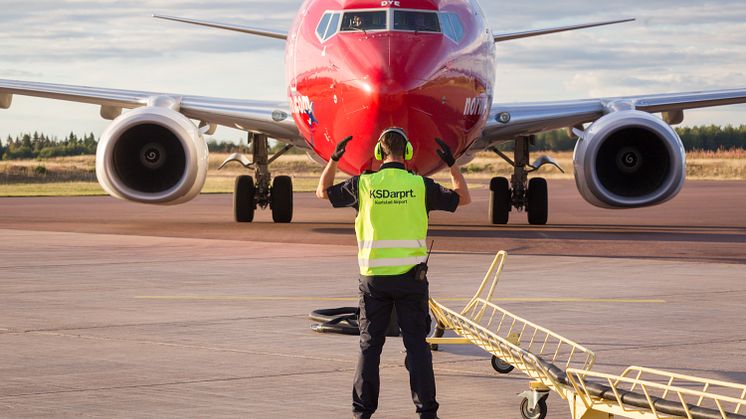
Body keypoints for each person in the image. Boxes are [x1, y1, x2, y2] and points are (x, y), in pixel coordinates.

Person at [316, 128, 471, 419]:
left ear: (379, 153)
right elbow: (464, 198)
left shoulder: (364, 185)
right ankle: (427, 412)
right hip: (411, 280)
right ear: (408, 152)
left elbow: (322, 191)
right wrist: (452, 164)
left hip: (374, 279)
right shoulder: (419, 186)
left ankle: (362, 413)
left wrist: (333, 160)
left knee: (370, 347)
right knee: (417, 347)